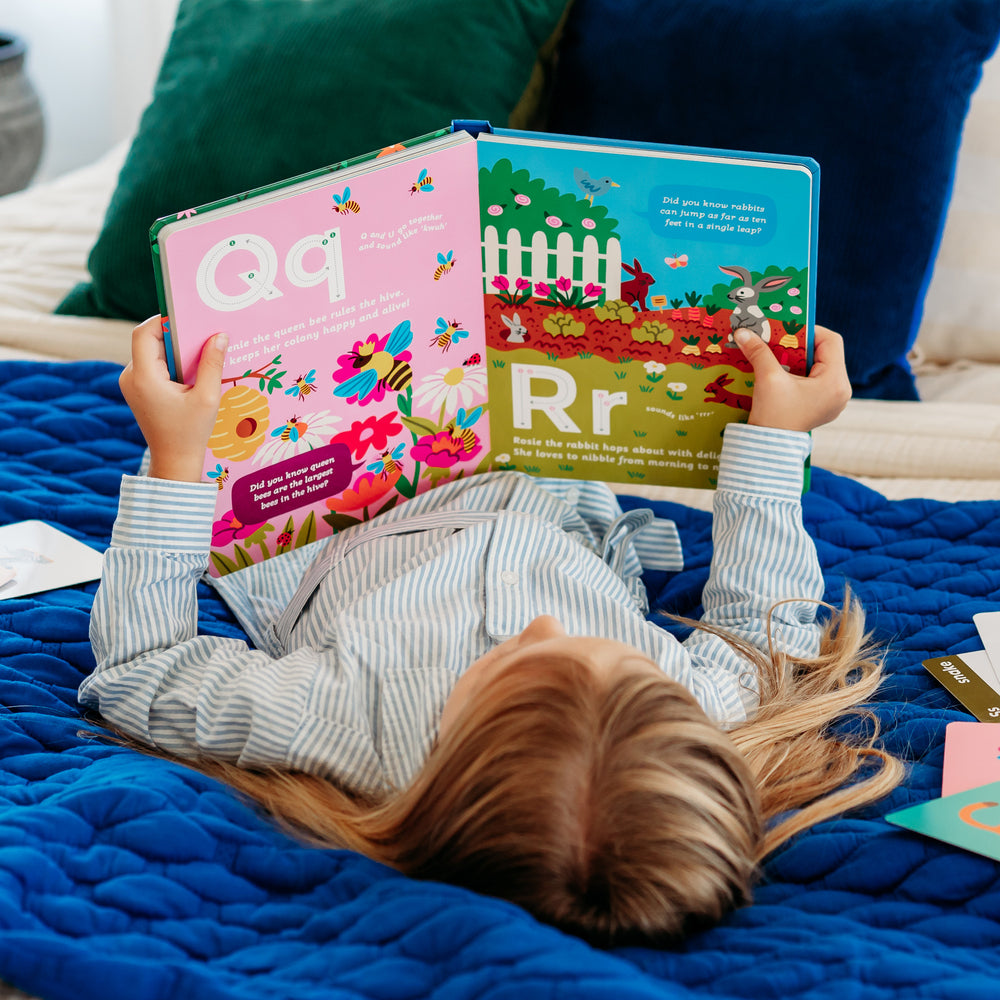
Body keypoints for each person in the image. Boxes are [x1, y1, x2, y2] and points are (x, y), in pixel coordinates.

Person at [82, 317, 902, 946]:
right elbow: (762, 622)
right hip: (542, 464)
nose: (539, 622)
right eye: (609, 649)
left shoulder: (346, 719)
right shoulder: (689, 709)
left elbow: (144, 667)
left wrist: (175, 458)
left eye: (510, 658)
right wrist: (777, 436)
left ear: (449, 757)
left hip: (340, 499)